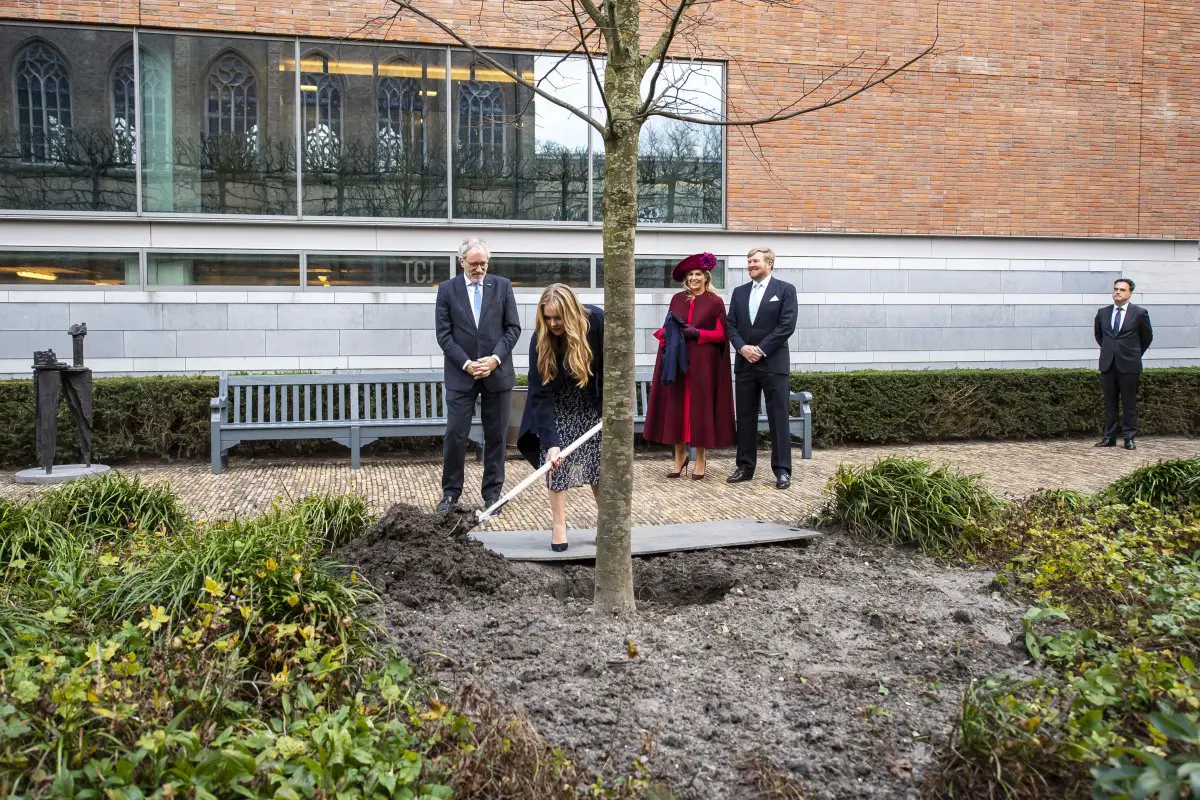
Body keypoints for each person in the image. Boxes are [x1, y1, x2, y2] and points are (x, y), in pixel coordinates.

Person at [434, 238, 522, 513]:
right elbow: (444, 335)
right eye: (474, 264)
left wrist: (494, 360)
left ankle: (492, 495)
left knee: (495, 436)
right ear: (462, 262)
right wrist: (467, 364)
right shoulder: (447, 290)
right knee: (455, 434)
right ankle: (450, 494)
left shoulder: (503, 286)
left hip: (497, 374)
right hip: (462, 376)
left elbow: (513, 328)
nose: (479, 269)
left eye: (483, 263)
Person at [517, 284, 604, 552]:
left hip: (592, 402)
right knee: (557, 465)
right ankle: (559, 525)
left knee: (598, 465)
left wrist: (611, 411)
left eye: (558, 318)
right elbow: (539, 394)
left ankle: (607, 522)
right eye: (547, 318)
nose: (553, 323)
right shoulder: (540, 339)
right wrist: (552, 442)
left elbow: (612, 367)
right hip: (557, 404)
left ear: (572, 312)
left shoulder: (596, 321)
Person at [643, 252, 736, 479]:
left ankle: (700, 460)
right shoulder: (677, 299)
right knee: (676, 407)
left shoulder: (715, 302)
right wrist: (665, 334)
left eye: (698, 274)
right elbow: (668, 324)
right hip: (677, 363)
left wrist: (698, 333)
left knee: (699, 410)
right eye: (691, 275)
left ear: (706, 277)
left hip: (703, 364)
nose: (694, 278)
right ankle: (679, 457)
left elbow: (721, 335)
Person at [725, 246, 798, 489]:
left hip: (773, 363)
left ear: (769, 264)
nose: (750, 265)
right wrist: (742, 348)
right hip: (745, 363)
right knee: (745, 417)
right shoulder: (739, 292)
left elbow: (786, 325)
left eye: (755, 261)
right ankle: (745, 467)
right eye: (748, 262)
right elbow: (730, 325)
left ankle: (782, 470)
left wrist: (761, 349)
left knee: (779, 417)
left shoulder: (785, 290)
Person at [1094, 277, 1153, 450]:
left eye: (1122, 290)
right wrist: (1110, 351)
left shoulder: (1140, 313)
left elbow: (1147, 337)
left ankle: (1129, 438)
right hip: (1108, 364)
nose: (1118, 292)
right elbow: (1100, 337)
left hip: (1130, 365)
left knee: (1129, 404)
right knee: (1110, 404)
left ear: (1130, 293)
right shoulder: (1102, 313)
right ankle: (1109, 438)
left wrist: (1133, 354)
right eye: (1116, 289)